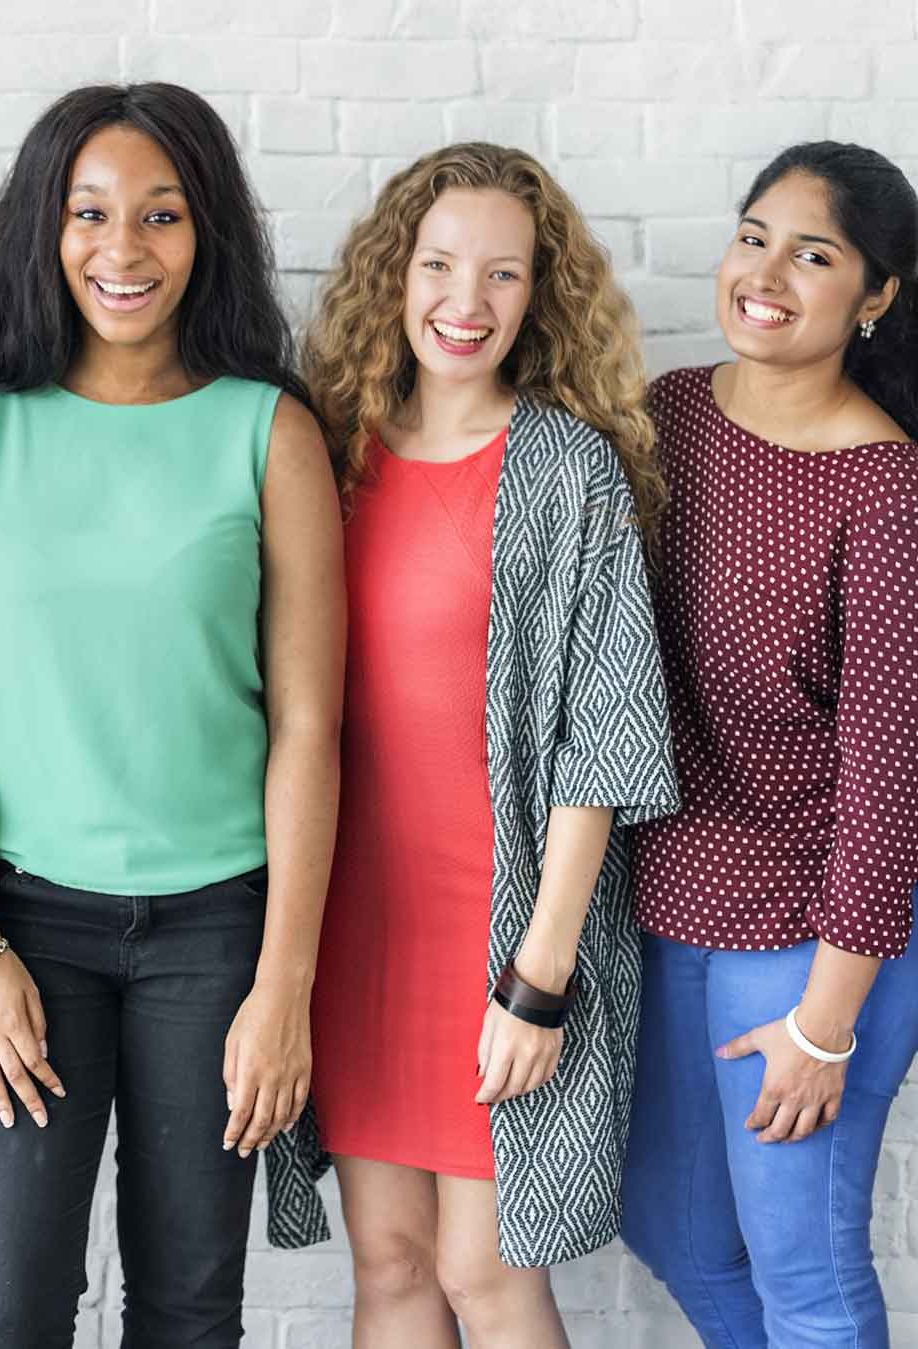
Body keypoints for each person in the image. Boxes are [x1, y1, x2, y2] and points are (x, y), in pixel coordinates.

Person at [0, 82, 346, 1346]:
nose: (121, 248)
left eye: (158, 215)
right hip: (23, 921)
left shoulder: (267, 433)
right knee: (5, 1305)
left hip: (216, 933)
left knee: (191, 1303)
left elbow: (308, 726)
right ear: (44, 231)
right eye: (89, 213)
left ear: (204, 232)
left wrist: (283, 983)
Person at [300, 142, 678, 1348]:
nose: (465, 304)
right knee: (390, 1267)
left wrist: (537, 981)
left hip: (503, 927)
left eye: (502, 275)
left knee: (487, 1273)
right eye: (440, 265)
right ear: (391, 273)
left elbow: (602, 741)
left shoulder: (567, 469)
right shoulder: (322, 453)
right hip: (348, 922)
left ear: (538, 296)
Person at [620, 141, 918, 1349]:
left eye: (813, 254)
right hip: (672, 902)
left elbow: (887, 780)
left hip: (813, 937)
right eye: (753, 237)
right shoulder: (667, 411)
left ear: (877, 296)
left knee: (803, 1267)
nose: (766, 274)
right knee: (674, 1230)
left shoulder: (886, 488)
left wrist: (824, 1022)